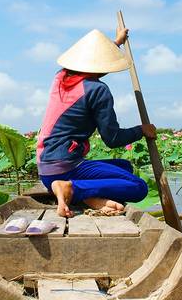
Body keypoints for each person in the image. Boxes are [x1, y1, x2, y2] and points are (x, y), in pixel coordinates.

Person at [36, 27, 156, 217]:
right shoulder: (98, 90)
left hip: (45, 170)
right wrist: (141, 130)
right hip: (65, 168)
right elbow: (113, 138)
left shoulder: (60, 77)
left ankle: (86, 195)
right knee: (138, 186)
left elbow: (92, 62)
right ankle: (72, 189)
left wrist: (116, 43)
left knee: (124, 167)